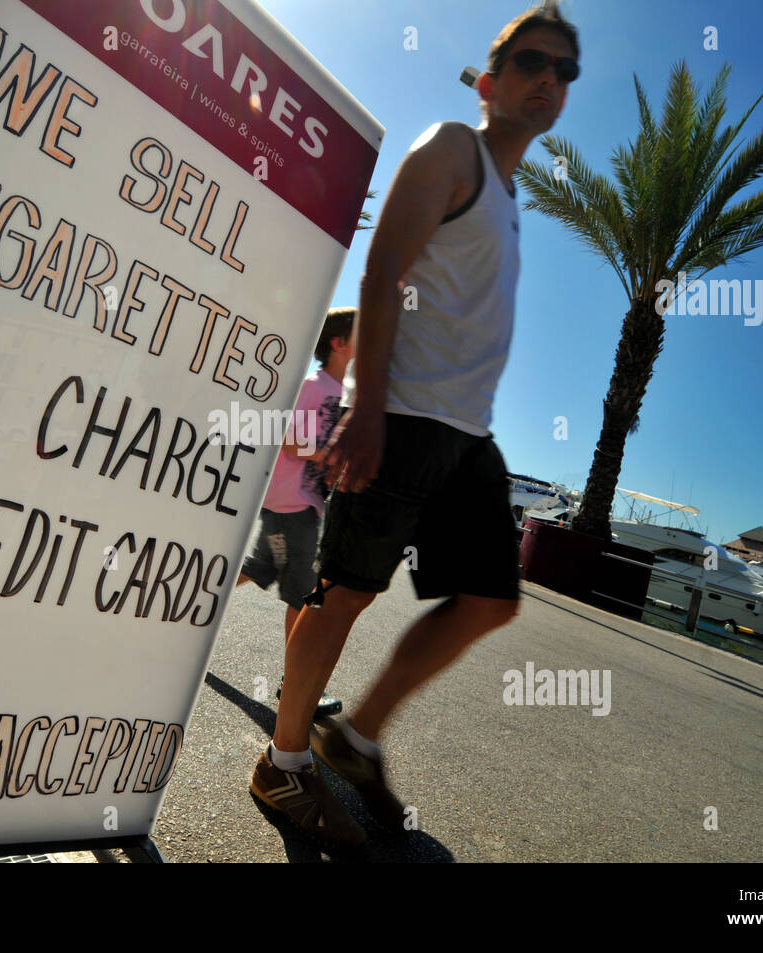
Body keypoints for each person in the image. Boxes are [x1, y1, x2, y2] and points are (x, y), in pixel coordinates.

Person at [249, 2, 580, 849]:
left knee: (488, 599)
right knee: (344, 591)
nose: (551, 81)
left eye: (565, 72)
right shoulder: (450, 150)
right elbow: (385, 263)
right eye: (535, 63)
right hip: (399, 413)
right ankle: (284, 766)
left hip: (468, 435)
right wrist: (363, 405)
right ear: (492, 78)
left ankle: (352, 737)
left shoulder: (510, 196)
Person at [236, 308, 355, 719]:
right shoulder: (315, 386)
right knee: (307, 595)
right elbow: (287, 438)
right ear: (339, 343)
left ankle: (193, 601)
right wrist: (325, 454)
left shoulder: (339, 394)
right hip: (293, 500)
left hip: (300, 502)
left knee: (259, 566)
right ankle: (296, 685)